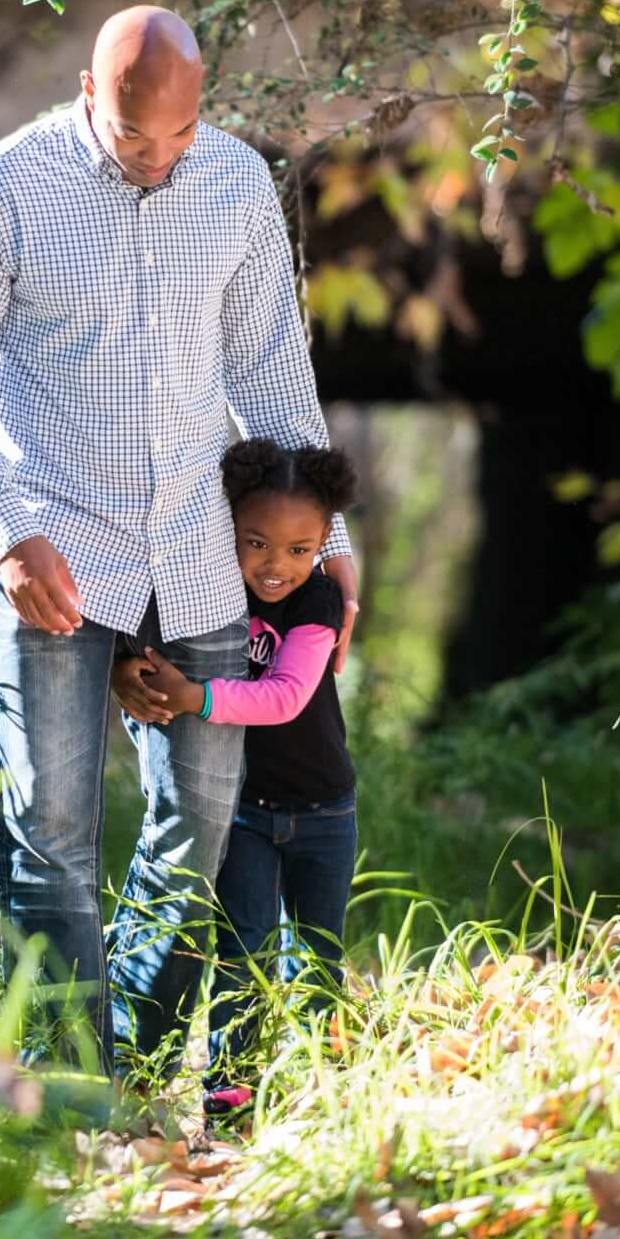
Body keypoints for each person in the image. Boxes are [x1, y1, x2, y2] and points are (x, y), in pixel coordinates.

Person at [0, 3, 359, 1075]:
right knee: (50, 831)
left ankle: (135, 1059)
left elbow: (267, 371)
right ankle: (72, 1092)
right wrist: (9, 532)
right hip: (57, 555)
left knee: (200, 827)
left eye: (177, 136)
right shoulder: (4, 190)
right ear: (86, 95)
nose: (158, 162)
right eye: (132, 139)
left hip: (199, 555)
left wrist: (325, 530)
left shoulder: (236, 183)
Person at [112, 439, 360, 1117]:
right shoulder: (208, 587)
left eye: (298, 549)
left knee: (317, 954)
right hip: (246, 811)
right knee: (241, 952)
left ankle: (326, 1092)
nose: (275, 565)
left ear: (323, 544)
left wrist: (196, 697)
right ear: (230, 528)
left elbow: (285, 696)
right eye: (256, 542)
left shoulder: (317, 602)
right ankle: (230, 1097)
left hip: (323, 814)